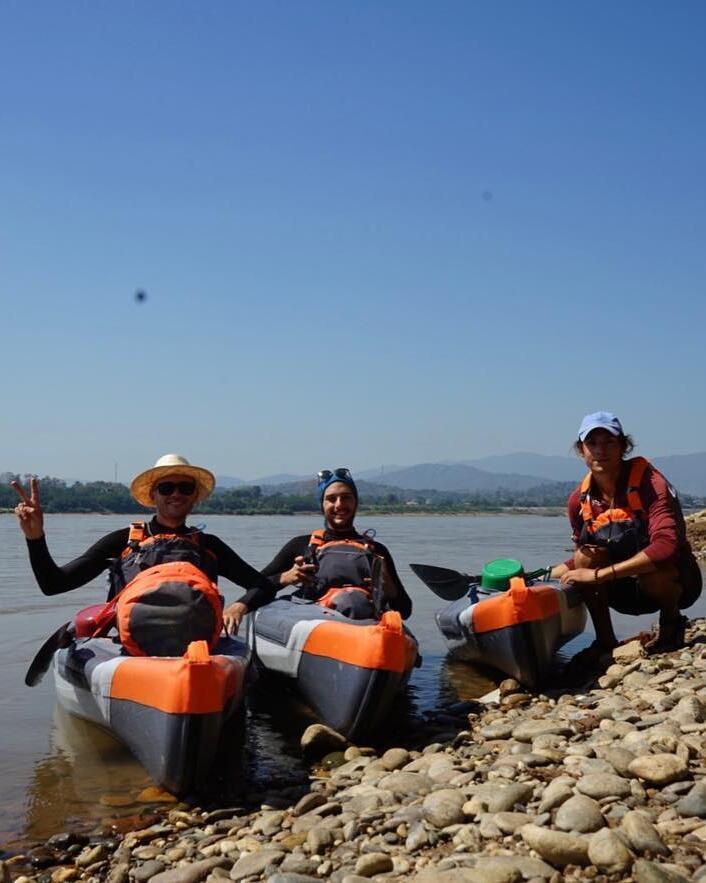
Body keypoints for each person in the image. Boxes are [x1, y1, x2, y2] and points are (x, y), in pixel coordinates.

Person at [12, 454, 276, 636]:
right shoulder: (122, 541)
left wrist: (238, 607)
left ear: (195, 496)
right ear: (152, 495)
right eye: (166, 488)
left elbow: (263, 586)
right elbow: (54, 585)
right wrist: (35, 539)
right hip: (134, 646)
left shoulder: (209, 546)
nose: (176, 494)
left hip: (198, 646)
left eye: (185, 488)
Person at [552, 411, 702, 671]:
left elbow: (666, 547)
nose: (600, 450)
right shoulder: (579, 500)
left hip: (676, 584)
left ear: (623, 446)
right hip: (622, 591)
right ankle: (605, 641)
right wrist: (545, 576)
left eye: (609, 442)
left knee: (653, 573)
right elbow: (581, 557)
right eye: (592, 444)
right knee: (582, 559)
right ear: (581, 450)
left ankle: (671, 623)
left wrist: (598, 576)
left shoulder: (651, 483)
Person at [261, 467, 413, 620]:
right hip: (317, 626)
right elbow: (254, 586)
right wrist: (285, 578)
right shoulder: (301, 545)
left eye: (346, 497)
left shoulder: (377, 551)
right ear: (322, 505)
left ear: (355, 502)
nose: (339, 505)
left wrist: (389, 589)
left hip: (364, 630)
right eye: (331, 499)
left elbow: (405, 611)